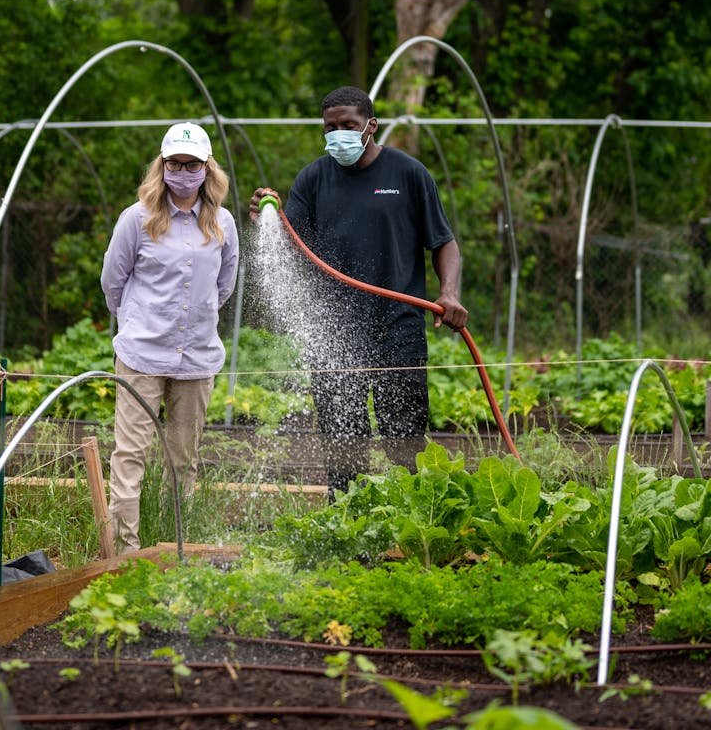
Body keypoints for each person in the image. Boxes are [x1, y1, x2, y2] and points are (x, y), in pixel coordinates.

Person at [248, 86, 467, 493]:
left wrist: (449, 292)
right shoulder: (313, 180)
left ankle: (413, 522)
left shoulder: (407, 174)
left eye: (348, 125)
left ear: (371, 125)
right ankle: (348, 527)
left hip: (397, 326)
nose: (339, 135)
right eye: (330, 127)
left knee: (405, 440)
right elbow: (294, 242)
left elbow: (444, 242)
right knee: (343, 441)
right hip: (334, 333)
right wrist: (270, 213)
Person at [101, 121, 239, 553]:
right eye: (175, 163)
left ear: (206, 168)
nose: (183, 171)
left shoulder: (222, 223)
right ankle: (124, 550)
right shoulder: (137, 219)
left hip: (196, 357)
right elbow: (113, 281)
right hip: (142, 354)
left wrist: (193, 318)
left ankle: (174, 546)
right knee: (130, 454)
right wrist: (139, 321)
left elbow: (224, 285)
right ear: (162, 167)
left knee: (184, 458)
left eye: (192, 163)